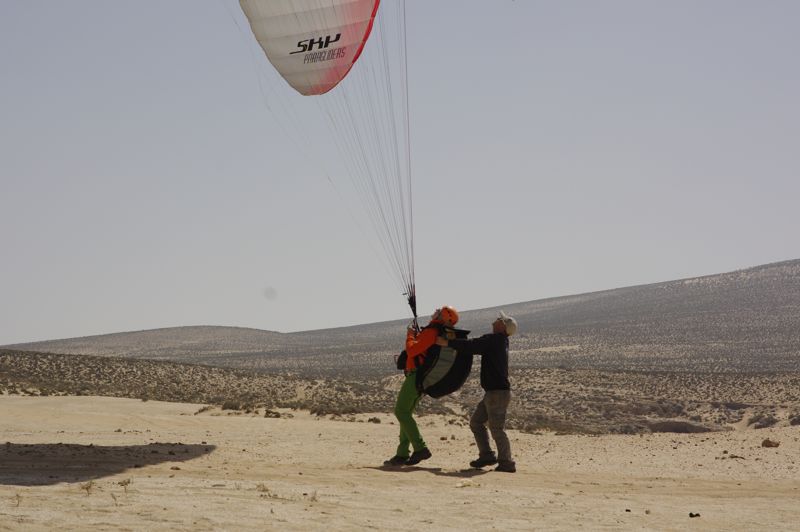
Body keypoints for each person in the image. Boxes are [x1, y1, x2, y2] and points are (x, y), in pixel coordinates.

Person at [437, 311, 518, 473]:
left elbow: (472, 346)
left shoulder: (495, 340)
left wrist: (448, 342)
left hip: (496, 394)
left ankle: (507, 462)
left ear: (502, 326)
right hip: (493, 393)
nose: (495, 320)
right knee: (476, 422)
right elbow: (475, 345)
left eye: (499, 320)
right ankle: (486, 455)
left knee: (497, 429)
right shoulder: (500, 341)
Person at [384, 306, 460, 467]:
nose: (436, 310)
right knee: (406, 414)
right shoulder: (433, 331)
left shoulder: (432, 332)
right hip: (420, 377)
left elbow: (412, 351)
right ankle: (402, 454)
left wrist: (410, 334)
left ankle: (420, 448)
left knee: (401, 412)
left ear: (442, 316)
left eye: (439, 310)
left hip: (416, 377)